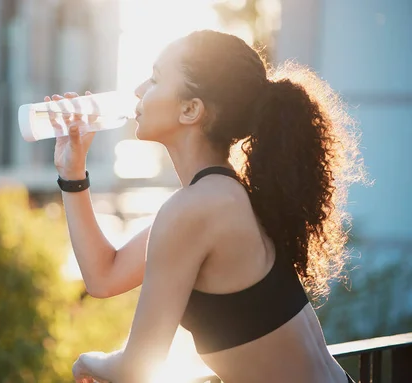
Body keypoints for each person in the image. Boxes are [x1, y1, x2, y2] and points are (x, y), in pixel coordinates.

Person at [46, 30, 364, 383]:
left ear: (190, 109)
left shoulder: (197, 209)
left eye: (155, 78)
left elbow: (135, 369)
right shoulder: (219, 198)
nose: (138, 90)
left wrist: (88, 361)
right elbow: (104, 276)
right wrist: (72, 172)